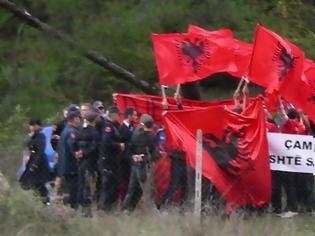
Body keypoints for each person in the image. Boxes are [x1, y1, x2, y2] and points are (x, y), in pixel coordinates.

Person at [122, 114, 161, 211]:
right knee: (147, 190)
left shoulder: (135, 134)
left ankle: (126, 210)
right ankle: (154, 212)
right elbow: (156, 154)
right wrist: (144, 158)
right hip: (145, 167)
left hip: (135, 165)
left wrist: (133, 157)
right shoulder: (151, 138)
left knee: (132, 190)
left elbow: (129, 149)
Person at [19, 118, 51, 204]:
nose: (32, 127)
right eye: (31, 125)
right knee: (27, 182)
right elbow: (27, 148)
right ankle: (40, 199)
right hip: (31, 160)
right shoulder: (31, 136)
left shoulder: (41, 136)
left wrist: (34, 164)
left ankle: (45, 200)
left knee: (37, 182)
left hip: (38, 162)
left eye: (34, 125)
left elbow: (40, 151)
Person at [98, 106, 125, 211]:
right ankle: (105, 207)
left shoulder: (115, 126)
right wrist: (118, 146)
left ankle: (110, 207)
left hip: (114, 160)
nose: (119, 116)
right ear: (112, 115)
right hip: (108, 160)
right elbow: (106, 142)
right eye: (118, 114)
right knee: (108, 184)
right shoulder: (108, 127)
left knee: (114, 185)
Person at [76, 112, 100, 217]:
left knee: (81, 183)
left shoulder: (81, 130)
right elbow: (94, 147)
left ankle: (80, 206)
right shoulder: (94, 132)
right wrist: (85, 153)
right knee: (88, 185)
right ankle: (87, 210)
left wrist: (78, 152)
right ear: (94, 120)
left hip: (80, 160)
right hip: (90, 162)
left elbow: (76, 143)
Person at [57, 111, 81, 209]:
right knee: (73, 188)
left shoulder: (64, 130)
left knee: (69, 188)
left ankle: (69, 206)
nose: (79, 120)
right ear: (74, 119)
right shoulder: (71, 132)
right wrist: (78, 153)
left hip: (64, 165)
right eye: (78, 118)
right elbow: (72, 146)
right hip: (71, 165)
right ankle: (73, 207)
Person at [118, 108, 138, 200]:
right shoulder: (122, 128)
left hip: (130, 157)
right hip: (124, 159)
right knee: (124, 180)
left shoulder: (132, 127)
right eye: (134, 115)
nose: (136, 117)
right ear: (129, 116)